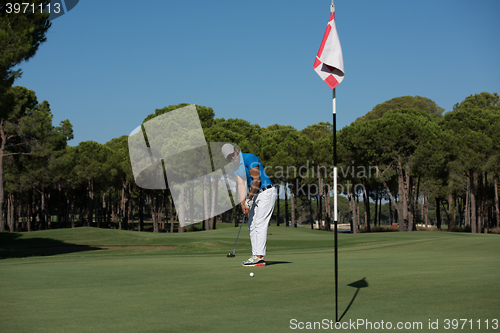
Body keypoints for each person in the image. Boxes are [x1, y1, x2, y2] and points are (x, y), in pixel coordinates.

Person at [221, 143, 277, 267]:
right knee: (251, 224)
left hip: (266, 192)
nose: (232, 158)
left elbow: (256, 180)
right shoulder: (235, 168)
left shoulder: (248, 158)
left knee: (259, 223)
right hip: (256, 194)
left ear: (236, 150)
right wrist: (243, 203)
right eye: (228, 158)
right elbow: (241, 185)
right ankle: (255, 256)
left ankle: (259, 257)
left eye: (232, 155)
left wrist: (249, 199)